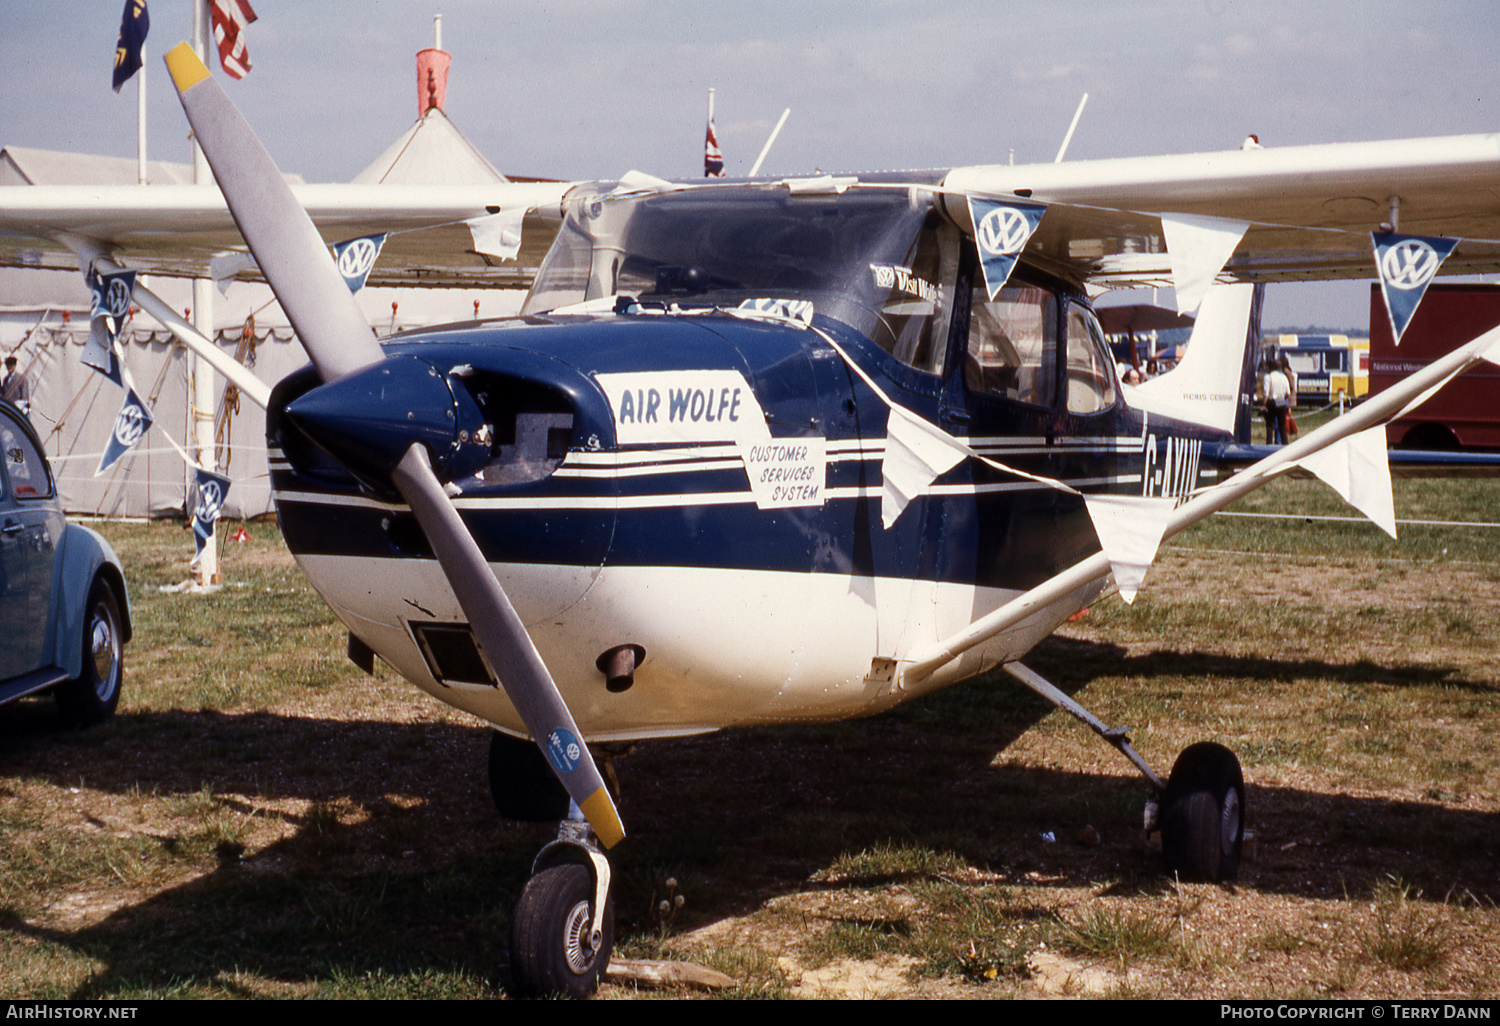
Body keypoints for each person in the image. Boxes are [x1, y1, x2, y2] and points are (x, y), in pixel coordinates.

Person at [1262, 358, 1290, 444]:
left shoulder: (1267, 377)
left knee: (1270, 426)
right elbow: (1288, 392)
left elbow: (1266, 393)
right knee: (1282, 426)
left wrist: (1264, 405)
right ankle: (1285, 443)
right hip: (1281, 402)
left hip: (1272, 402)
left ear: (1269, 367)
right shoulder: (1283, 377)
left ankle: (1269, 444)